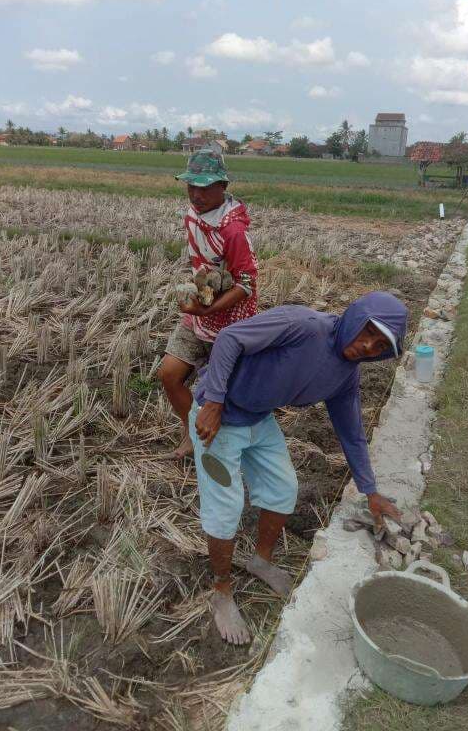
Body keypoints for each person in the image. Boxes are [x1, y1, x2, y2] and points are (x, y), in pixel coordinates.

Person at [189, 292, 407, 644]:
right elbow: (230, 338)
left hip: (258, 420)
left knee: (283, 490)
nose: (368, 346)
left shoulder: (345, 376)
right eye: (369, 333)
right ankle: (222, 591)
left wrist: (370, 491)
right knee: (225, 506)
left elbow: (352, 434)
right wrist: (213, 399)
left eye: (380, 346)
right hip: (219, 420)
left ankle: (260, 560)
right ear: (354, 316)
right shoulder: (303, 326)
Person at [158, 149, 258, 459]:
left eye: (205, 187)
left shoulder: (233, 231)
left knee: (219, 394)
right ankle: (192, 434)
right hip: (200, 313)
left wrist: (209, 309)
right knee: (169, 374)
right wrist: (196, 296)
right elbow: (199, 262)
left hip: (230, 321)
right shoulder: (192, 215)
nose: (197, 195)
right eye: (191, 187)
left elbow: (247, 284)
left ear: (222, 186)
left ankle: (220, 448)